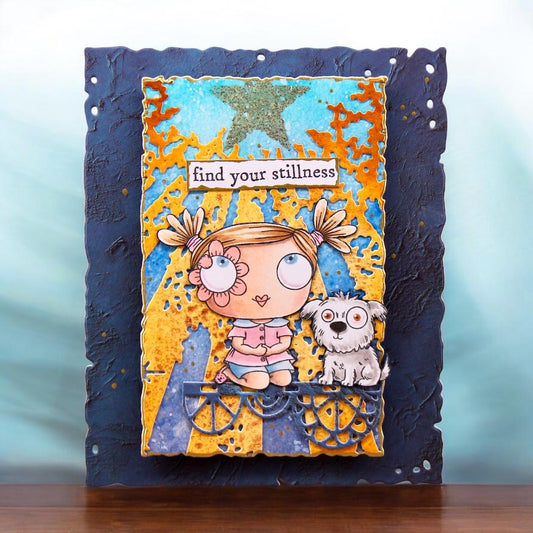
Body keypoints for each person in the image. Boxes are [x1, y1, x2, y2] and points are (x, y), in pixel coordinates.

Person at [157, 199, 356, 390]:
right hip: (246, 361)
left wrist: (274, 349)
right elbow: (237, 343)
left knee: (284, 378)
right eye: (222, 276)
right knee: (259, 382)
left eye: (294, 269)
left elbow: (285, 340)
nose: (261, 295)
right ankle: (230, 373)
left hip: (276, 359)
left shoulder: (279, 324)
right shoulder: (242, 325)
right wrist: (254, 351)